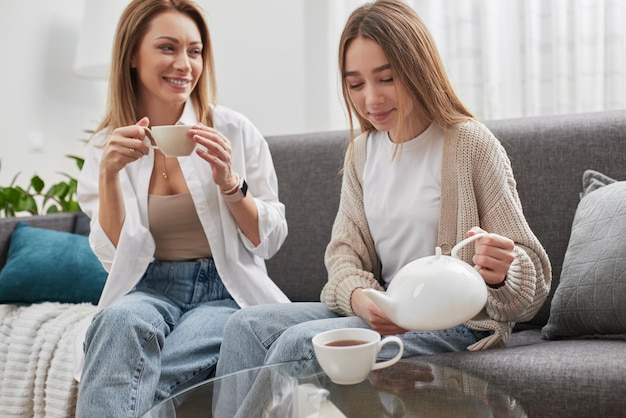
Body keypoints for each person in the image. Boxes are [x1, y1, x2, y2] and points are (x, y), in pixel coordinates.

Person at [216, 0, 551, 378]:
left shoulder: (469, 143)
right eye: (355, 84)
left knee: (300, 345)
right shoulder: (362, 152)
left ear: (417, 69)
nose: (370, 99)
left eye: (386, 78)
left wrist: (503, 273)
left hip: (454, 324)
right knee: (244, 326)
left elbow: (532, 285)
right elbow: (344, 258)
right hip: (384, 314)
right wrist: (362, 300)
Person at [73, 0, 289, 416]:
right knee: (115, 324)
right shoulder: (106, 148)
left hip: (223, 290)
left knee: (147, 376)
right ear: (133, 55)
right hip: (149, 288)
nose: (185, 64)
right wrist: (109, 175)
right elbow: (115, 256)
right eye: (168, 48)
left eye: (195, 51)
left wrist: (230, 184)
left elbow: (270, 240)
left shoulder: (233, 131)